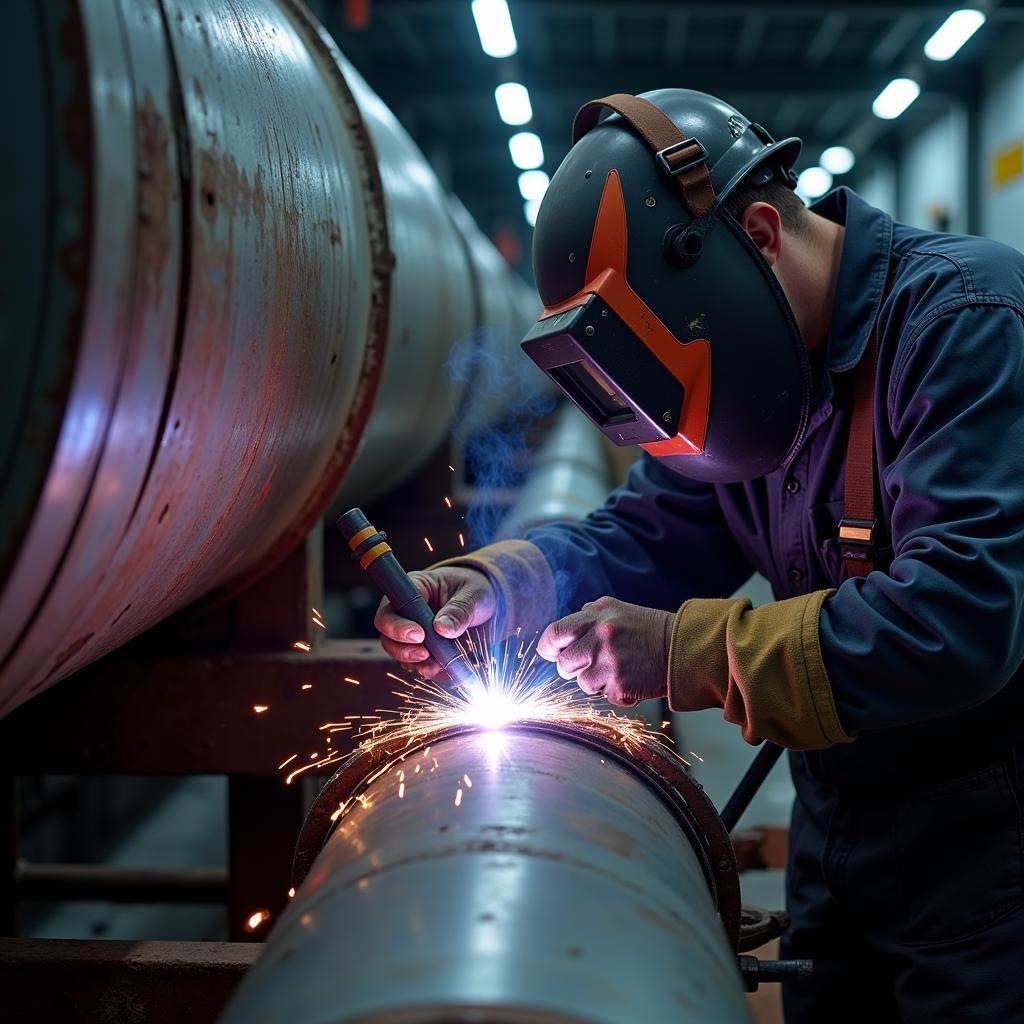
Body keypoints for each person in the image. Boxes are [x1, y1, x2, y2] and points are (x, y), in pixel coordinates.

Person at [375, 89, 1024, 1022]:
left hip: (985, 838)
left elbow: (961, 616)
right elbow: (655, 531)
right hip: (834, 810)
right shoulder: (764, 381)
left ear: (759, 231)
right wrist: (501, 581)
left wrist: (689, 651)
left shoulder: (963, 322)